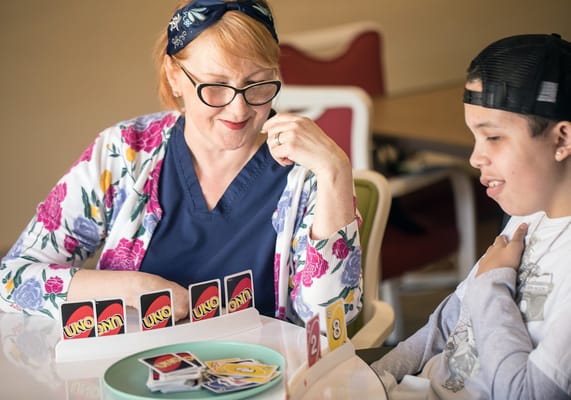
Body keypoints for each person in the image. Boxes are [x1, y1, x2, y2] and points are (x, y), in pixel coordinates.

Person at [0, 0, 362, 328]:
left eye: (257, 83)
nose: (239, 109)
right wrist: (132, 287)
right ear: (174, 77)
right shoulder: (125, 152)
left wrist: (335, 171)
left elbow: (331, 319)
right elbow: (12, 279)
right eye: (215, 86)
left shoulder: (305, 171)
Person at [371, 33, 571, 399]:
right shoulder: (529, 215)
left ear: (561, 140)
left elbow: (526, 394)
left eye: (493, 137)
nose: (475, 158)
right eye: (474, 138)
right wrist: (372, 378)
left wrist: (493, 280)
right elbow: (448, 322)